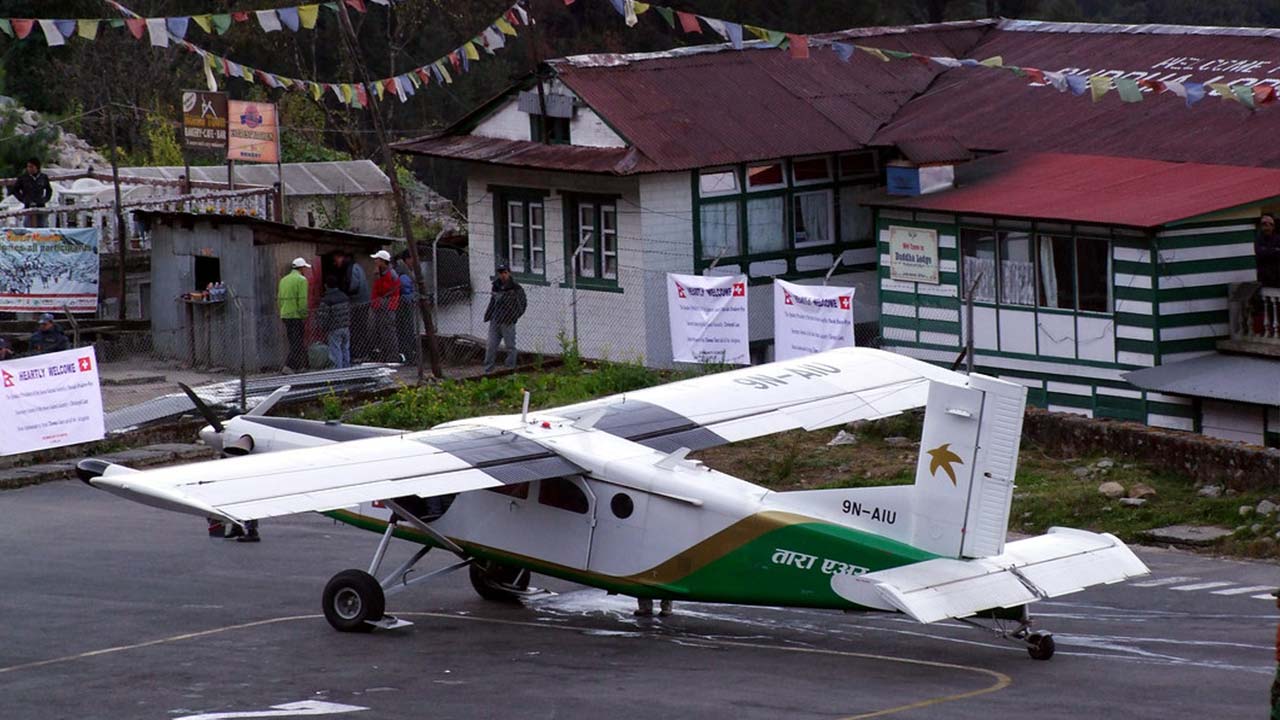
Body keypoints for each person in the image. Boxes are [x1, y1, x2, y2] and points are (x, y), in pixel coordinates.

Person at [483, 263, 527, 373]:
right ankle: (488, 370)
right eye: (500, 273)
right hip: (495, 320)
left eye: (505, 272)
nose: (502, 275)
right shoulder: (495, 285)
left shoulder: (516, 288)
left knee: (510, 347)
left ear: (509, 273)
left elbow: (522, 304)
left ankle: (510, 369)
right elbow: (492, 302)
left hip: (508, 322)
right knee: (491, 346)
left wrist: (513, 316)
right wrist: (489, 314)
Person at [278, 257, 310, 372]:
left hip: (285, 314)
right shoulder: (302, 280)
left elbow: (279, 299)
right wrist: (304, 314)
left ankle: (300, 366)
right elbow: (302, 300)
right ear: (301, 268)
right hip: (296, 315)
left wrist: (282, 310)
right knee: (297, 341)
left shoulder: (283, 280)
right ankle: (289, 366)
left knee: (293, 340)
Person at [369, 250, 401, 362]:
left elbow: (386, 291)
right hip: (381, 306)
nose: (375, 261)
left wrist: (377, 277)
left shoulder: (390, 274)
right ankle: (385, 356)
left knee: (389, 332)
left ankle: (393, 357)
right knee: (382, 331)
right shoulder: (382, 272)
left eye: (377, 259)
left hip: (388, 306)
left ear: (383, 261)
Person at [317, 275, 352, 369]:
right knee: (345, 348)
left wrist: (322, 327)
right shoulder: (344, 296)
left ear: (326, 286)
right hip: (346, 326)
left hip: (334, 328)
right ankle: (347, 369)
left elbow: (323, 315)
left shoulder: (327, 300)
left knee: (335, 350)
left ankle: (338, 371)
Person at [343, 251, 372, 361]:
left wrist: (346, 292)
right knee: (362, 329)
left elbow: (354, 285)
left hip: (358, 303)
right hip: (363, 301)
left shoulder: (352, 268)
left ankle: (359, 354)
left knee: (357, 330)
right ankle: (363, 353)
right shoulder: (358, 267)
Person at [13, 158, 52, 229]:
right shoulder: (23, 178)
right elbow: (15, 189)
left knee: (42, 225)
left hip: (40, 205)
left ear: (37, 167)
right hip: (28, 205)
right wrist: (23, 199)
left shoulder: (43, 177)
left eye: (31, 167)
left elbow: (48, 190)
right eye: (28, 167)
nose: (29, 169)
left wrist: (45, 199)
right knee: (28, 226)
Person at [396, 255, 418, 364]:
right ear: (407, 259)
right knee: (406, 331)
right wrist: (413, 296)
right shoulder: (404, 274)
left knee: (407, 331)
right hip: (404, 306)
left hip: (405, 305)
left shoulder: (407, 272)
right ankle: (408, 355)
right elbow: (405, 289)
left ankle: (409, 355)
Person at [1257, 214, 1280, 288]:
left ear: (1273, 226)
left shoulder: (1278, 238)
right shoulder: (1258, 240)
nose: (1267, 226)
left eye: (1270, 224)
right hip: (1264, 279)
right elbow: (1260, 253)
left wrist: (1267, 250)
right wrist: (1274, 250)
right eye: (1264, 224)